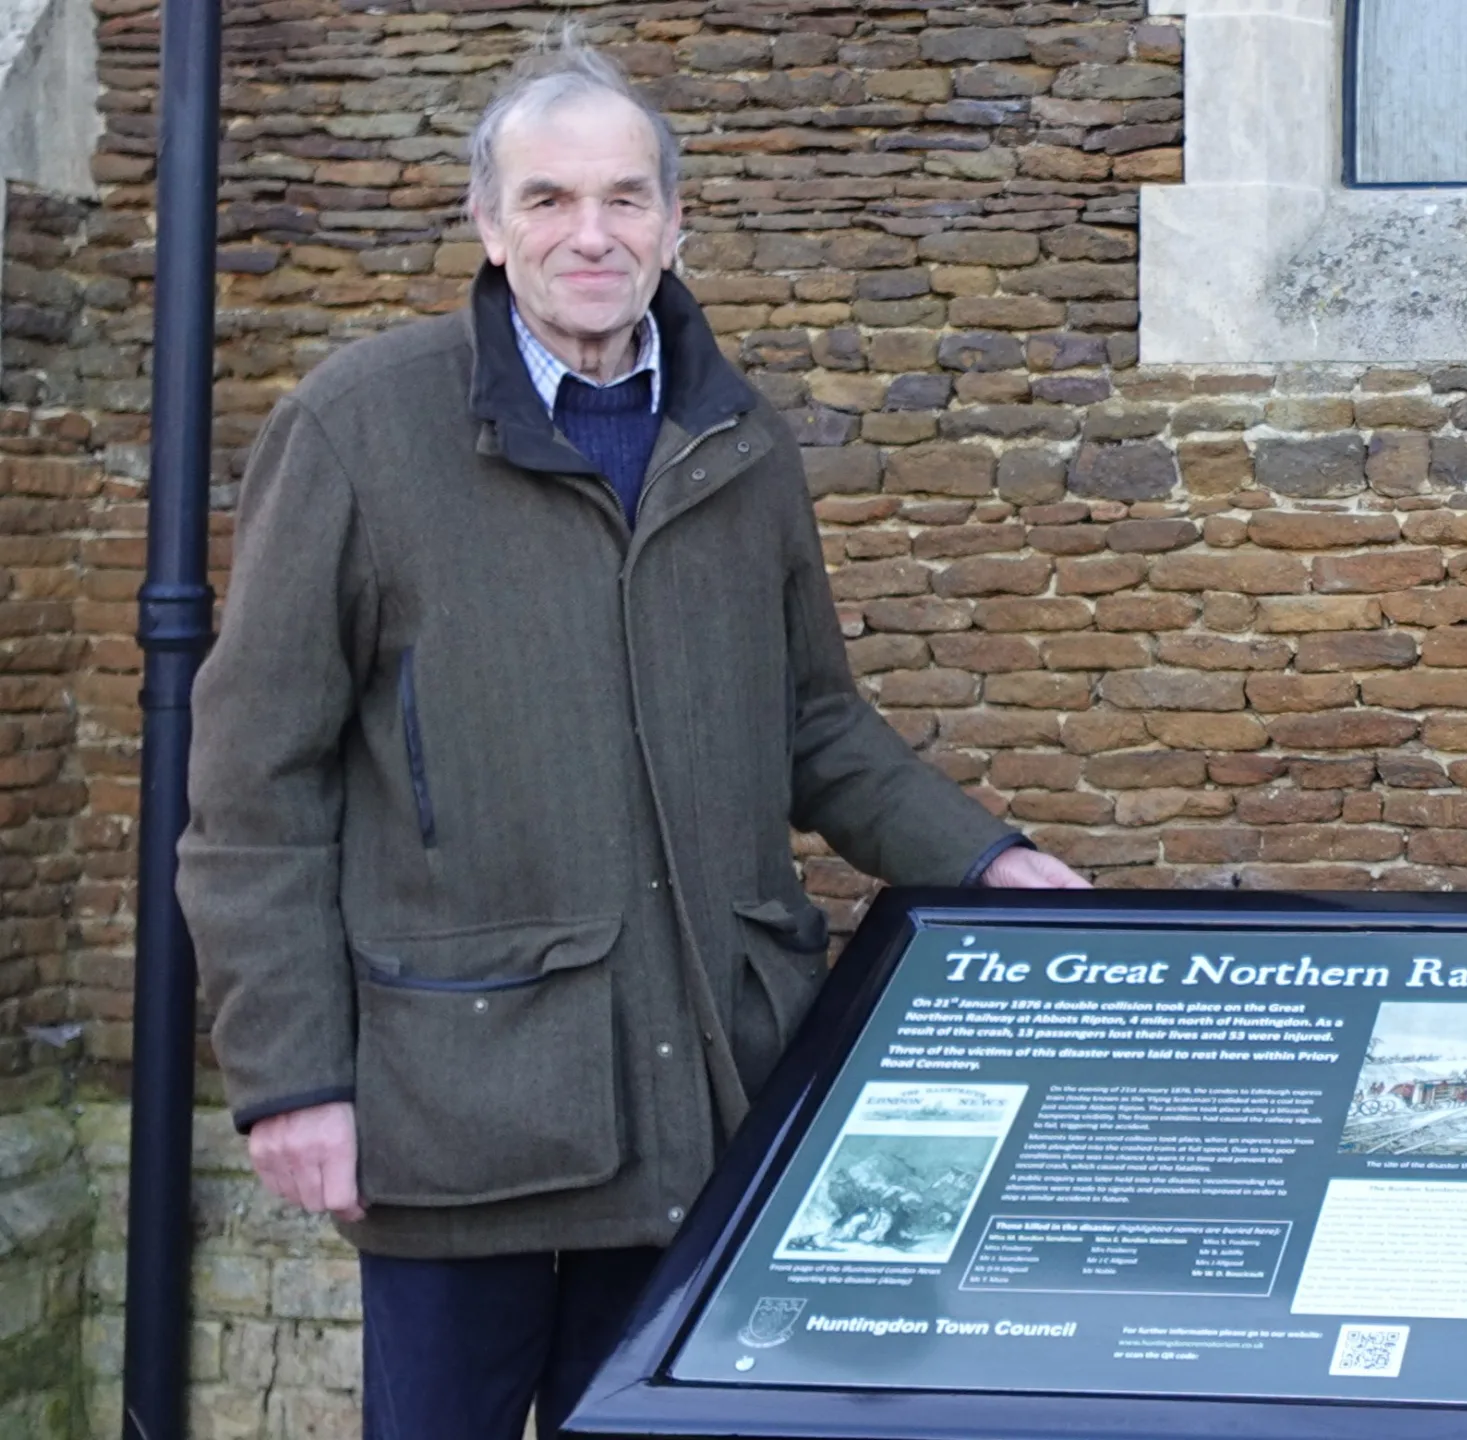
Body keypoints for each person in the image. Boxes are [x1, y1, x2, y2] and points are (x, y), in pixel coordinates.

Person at [174, 34, 1086, 1440]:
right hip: (462, 1106)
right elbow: (253, 789)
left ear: (675, 221)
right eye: (547, 200)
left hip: (709, 1091)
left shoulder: (743, 442)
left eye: (623, 198)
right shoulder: (357, 431)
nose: (589, 234)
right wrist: (290, 1081)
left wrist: (987, 862)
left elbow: (817, 725)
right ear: (488, 224)